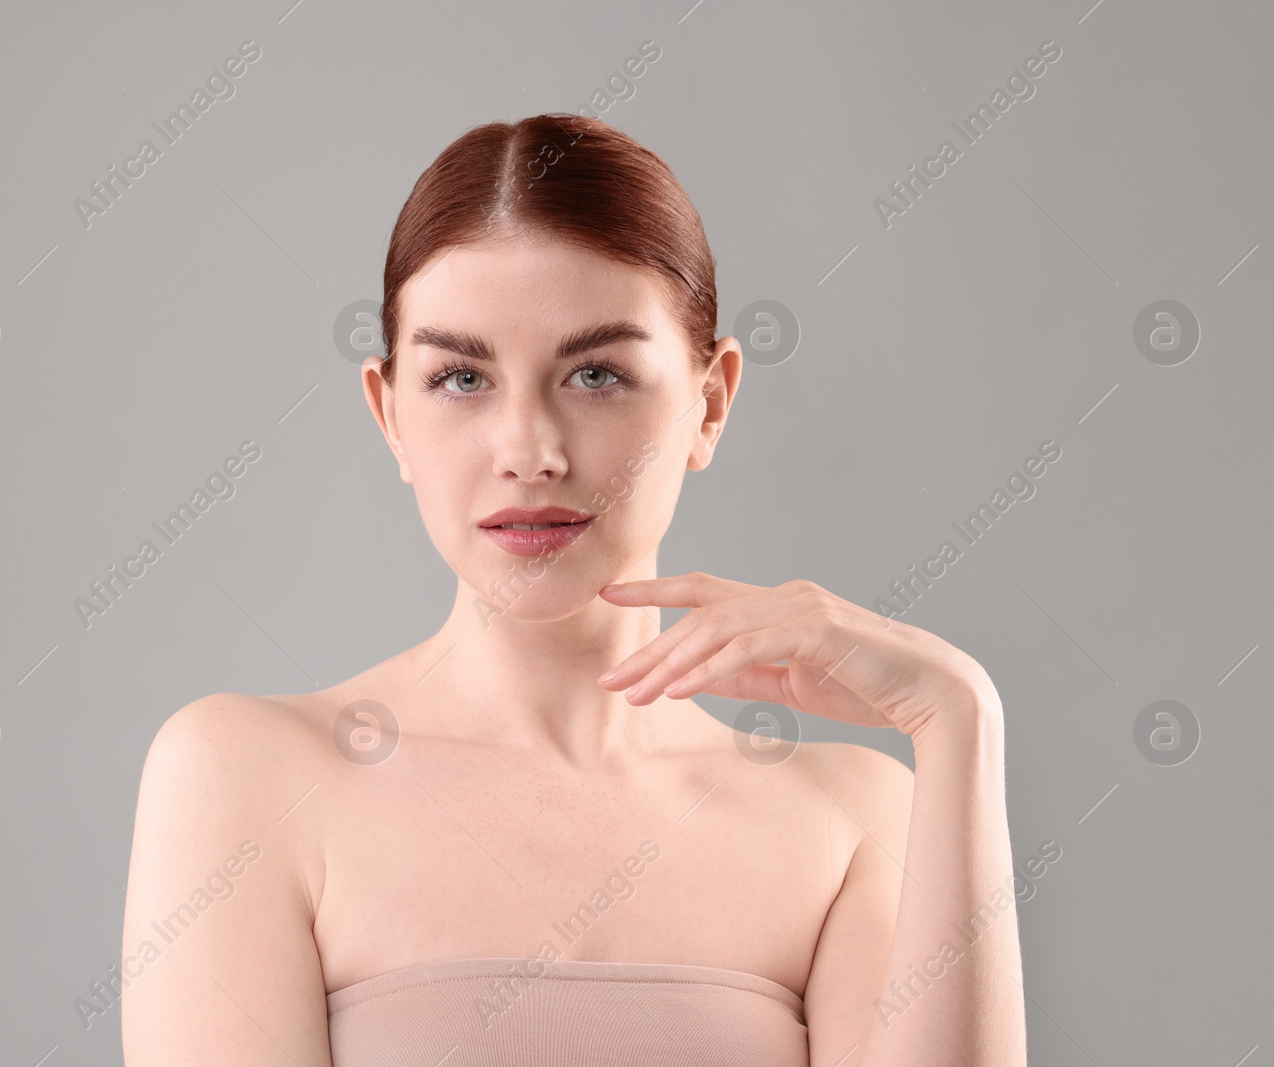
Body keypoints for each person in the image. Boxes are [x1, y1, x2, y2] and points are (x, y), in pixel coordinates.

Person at [119, 113, 1026, 1067]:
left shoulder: (853, 821)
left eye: (595, 374)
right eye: (461, 377)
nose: (529, 452)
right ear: (390, 414)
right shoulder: (246, 774)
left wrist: (961, 718)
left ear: (708, 403)